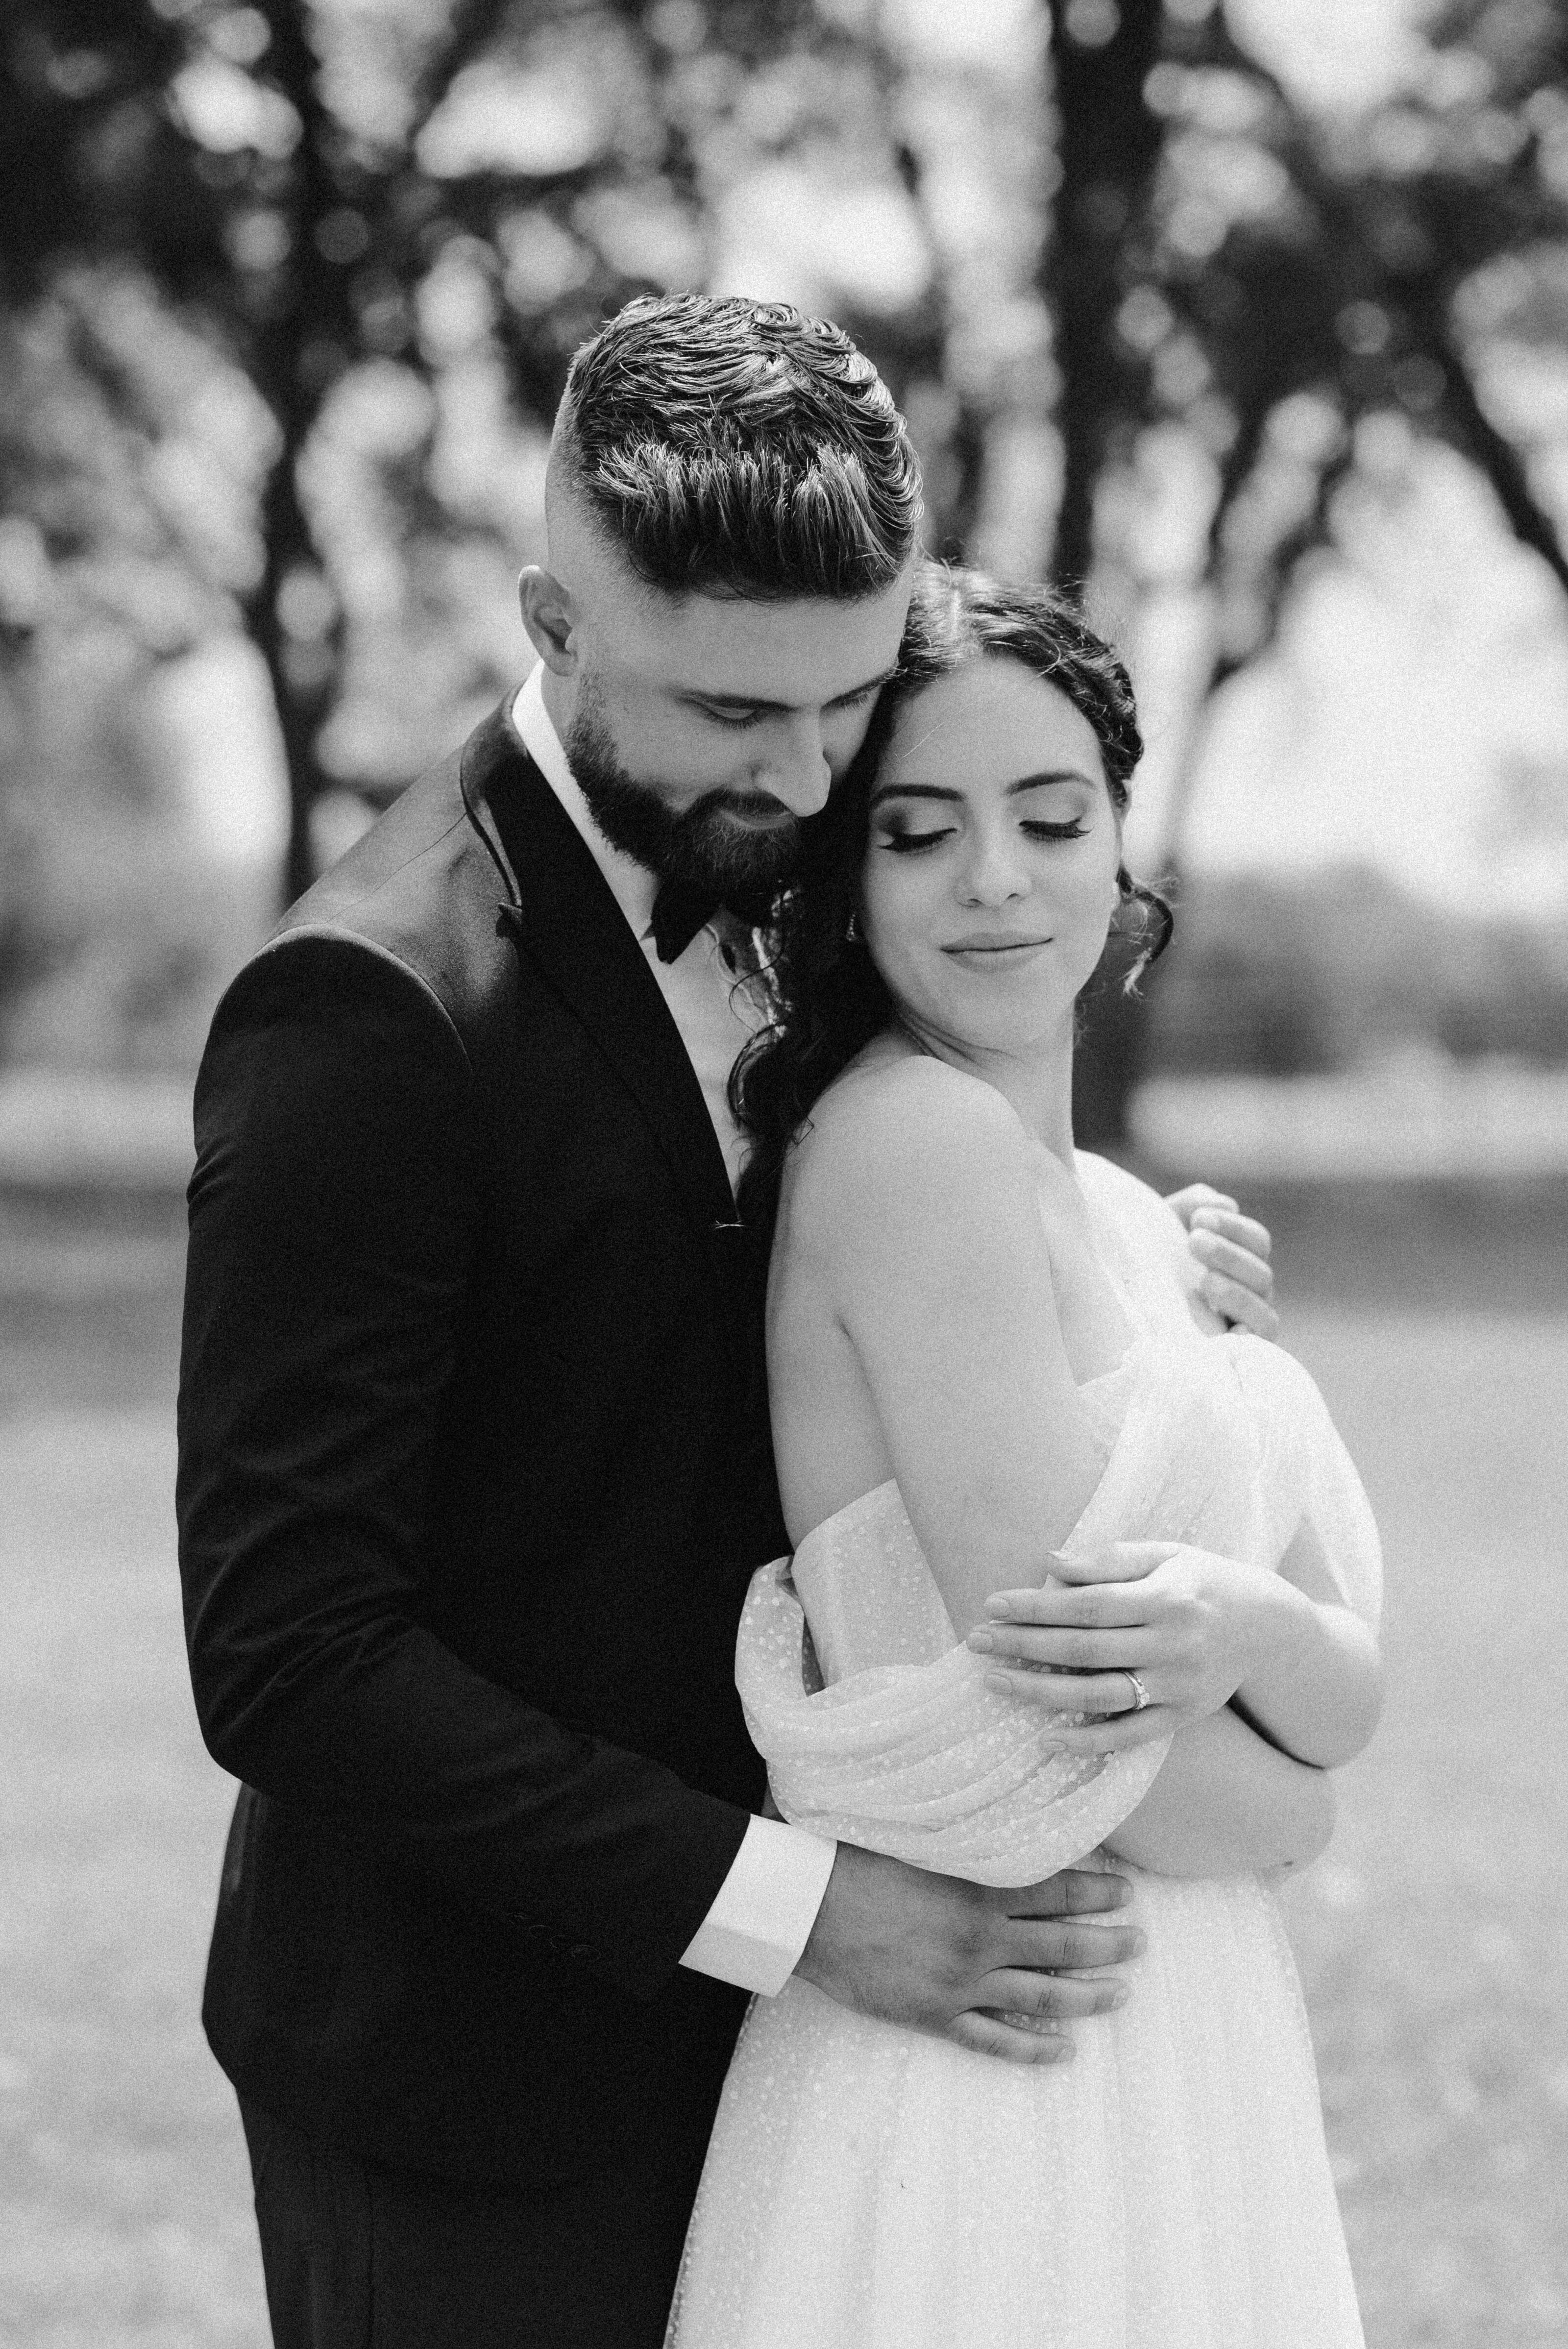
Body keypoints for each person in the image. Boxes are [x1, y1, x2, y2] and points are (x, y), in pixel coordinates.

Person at [176, 296, 1280, 2349]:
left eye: (846, 703)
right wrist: (795, 1913)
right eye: (725, 713)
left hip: (834, 2068)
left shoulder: (805, 865)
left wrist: (1121, 1258)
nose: (799, 777)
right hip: (478, 2078)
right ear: (552, 619)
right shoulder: (363, 1014)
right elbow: (289, 1649)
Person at [665, 570, 1384, 2349]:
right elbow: (1067, 1736)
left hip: (1180, 2031)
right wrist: (1300, 1794)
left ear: (1122, 850)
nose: (997, 876)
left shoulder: (1143, 1220)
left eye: (1051, 817)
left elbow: (1345, 1662)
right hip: (1005, 2058)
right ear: (846, 880)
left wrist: (1245, 1633)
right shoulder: (911, 1145)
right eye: (921, 832)